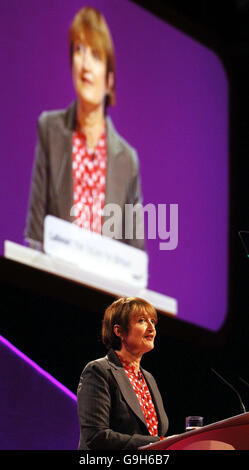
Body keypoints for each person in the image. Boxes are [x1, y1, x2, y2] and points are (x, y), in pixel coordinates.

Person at [24, 7, 144, 251]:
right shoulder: (50, 130)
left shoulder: (127, 161)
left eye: (96, 55)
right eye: (79, 50)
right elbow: (35, 235)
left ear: (109, 81)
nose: (85, 64)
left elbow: (135, 256)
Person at [77, 297, 169, 450]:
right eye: (141, 320)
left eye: (152, 321)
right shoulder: (99, 371)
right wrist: (156, 442)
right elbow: (96, 436)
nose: (151, 328)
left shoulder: (149, 378)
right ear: (119, 331)